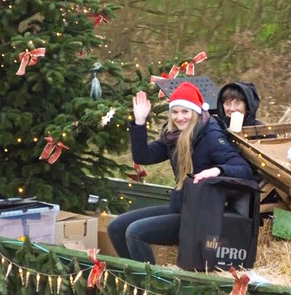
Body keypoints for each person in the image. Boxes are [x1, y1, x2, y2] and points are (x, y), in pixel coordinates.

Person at [107, 82, 253, 264]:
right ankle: (136, 281)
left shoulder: (211, 136)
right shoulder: (173, 135)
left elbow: (244, 170)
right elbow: (143, 156)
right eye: (175, 112)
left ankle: (152, 287)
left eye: (185, 112)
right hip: (180, 206)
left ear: (195, 112)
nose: (180, 117)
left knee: (135, 232)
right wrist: (139, 122)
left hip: (200, 215)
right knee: (116, 227)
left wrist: (216, 170)